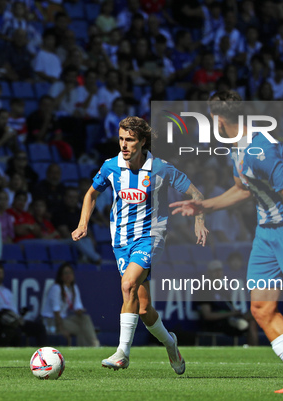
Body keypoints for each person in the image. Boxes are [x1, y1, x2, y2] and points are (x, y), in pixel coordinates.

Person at [170, 91, 283, 393]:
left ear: (217, 119)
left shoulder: (260, 149)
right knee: (261, 309)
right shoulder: (237, 149)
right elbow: (243, 189)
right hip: (265, 233)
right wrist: (205, 205)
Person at [72, 116, 208, 374]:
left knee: (127, 284)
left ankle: (122, 352)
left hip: (150, 236)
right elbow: (91, 193)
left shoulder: (162, 169)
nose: (124, 145)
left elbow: (196, 194)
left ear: (143, 141)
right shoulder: (111, 166)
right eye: (121, 139)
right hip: (121, 240)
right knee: (143, 307)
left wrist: (198, 221)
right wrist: (83, 224)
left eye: (130, 140)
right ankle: (171, 343)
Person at [0, 262, 47, 346]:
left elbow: (14, 310)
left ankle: (44, 353)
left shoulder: (7, 291)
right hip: (0, 321)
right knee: (15, 330)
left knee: (39, 328)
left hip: (15, 319)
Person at [41, 262, 100, 346]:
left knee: (85, 318)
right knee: (81, 328)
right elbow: (56, 312)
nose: (68, 275)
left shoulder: (73, 287)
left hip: (64, 318)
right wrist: (61, 329)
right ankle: (94, 345)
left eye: (70, 272)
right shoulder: (56, 288)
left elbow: (77, 306)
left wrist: (80, 311)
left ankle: (93, 345)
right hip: (52, 320)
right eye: (65, 273)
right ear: (61, 276)